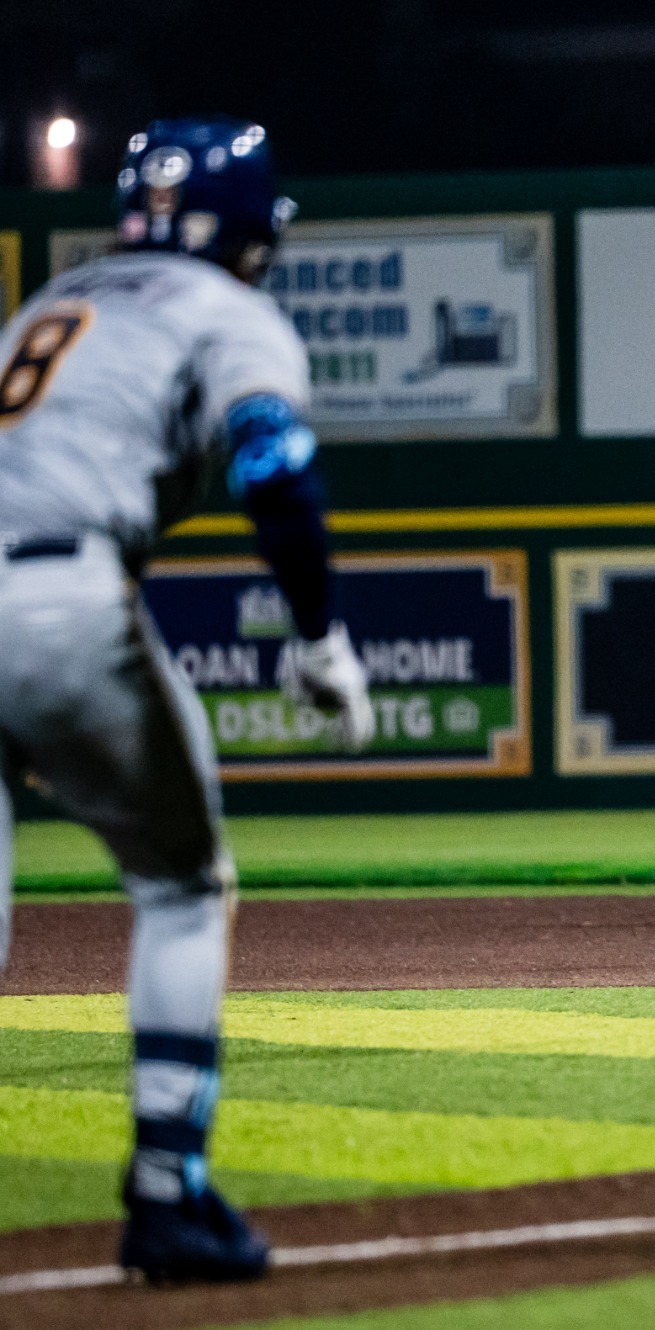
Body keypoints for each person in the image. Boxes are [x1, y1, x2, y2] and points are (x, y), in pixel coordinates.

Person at [0, 118, 373, 1284]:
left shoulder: (48, 305)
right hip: (52, 591)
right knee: (178, 886)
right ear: (249, 226)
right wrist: (319, 634)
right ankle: (168, 1191)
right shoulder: (227, 309)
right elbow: (274, 467)